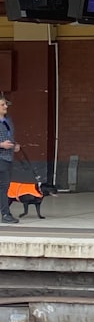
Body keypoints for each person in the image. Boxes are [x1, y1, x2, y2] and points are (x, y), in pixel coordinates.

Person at [0, 93, 21, 225]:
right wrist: (1, 145)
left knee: (4, 187)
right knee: (3, 187)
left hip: (7, 158)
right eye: (2, 105)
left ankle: (5, 213)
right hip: (1, 156)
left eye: (5, 104)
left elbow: (10, 136)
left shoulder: (8, 120)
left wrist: (15, 145)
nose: (5, 106)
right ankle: (5, 214)